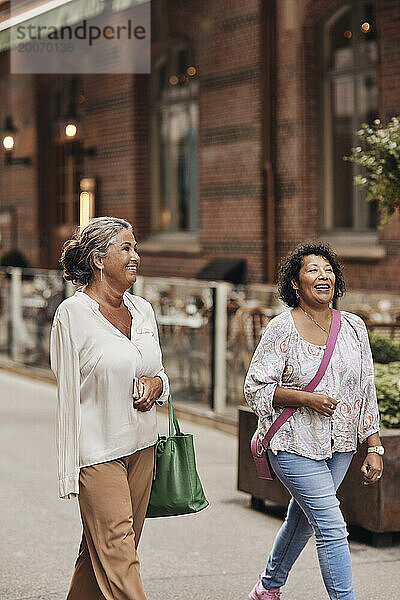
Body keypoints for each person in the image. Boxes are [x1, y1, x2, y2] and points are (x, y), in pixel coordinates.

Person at [244, 241, 383, 600]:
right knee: (332, 525)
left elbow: (367, 388)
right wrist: (306, 398)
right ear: (295, 282)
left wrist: (374, 445)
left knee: (302, 518)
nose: (323, 276)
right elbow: (255, 388)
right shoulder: (281, 328)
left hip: (340, 446)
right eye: (312, 270)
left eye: (328, 270)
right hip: (292, 443)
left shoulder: (353, 327)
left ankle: (268, 587)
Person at [50, 216, 169, 600]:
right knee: (119, 554)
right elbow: (67, 397)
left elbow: (160, 375)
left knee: (102, 551)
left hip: (142, 447)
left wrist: (156, 385)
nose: (136, 255)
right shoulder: (72, 315)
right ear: (100, 259)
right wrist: (69, 471)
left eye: (135, 247)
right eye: (126, 248)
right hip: (98, 452)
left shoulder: (143, 310)